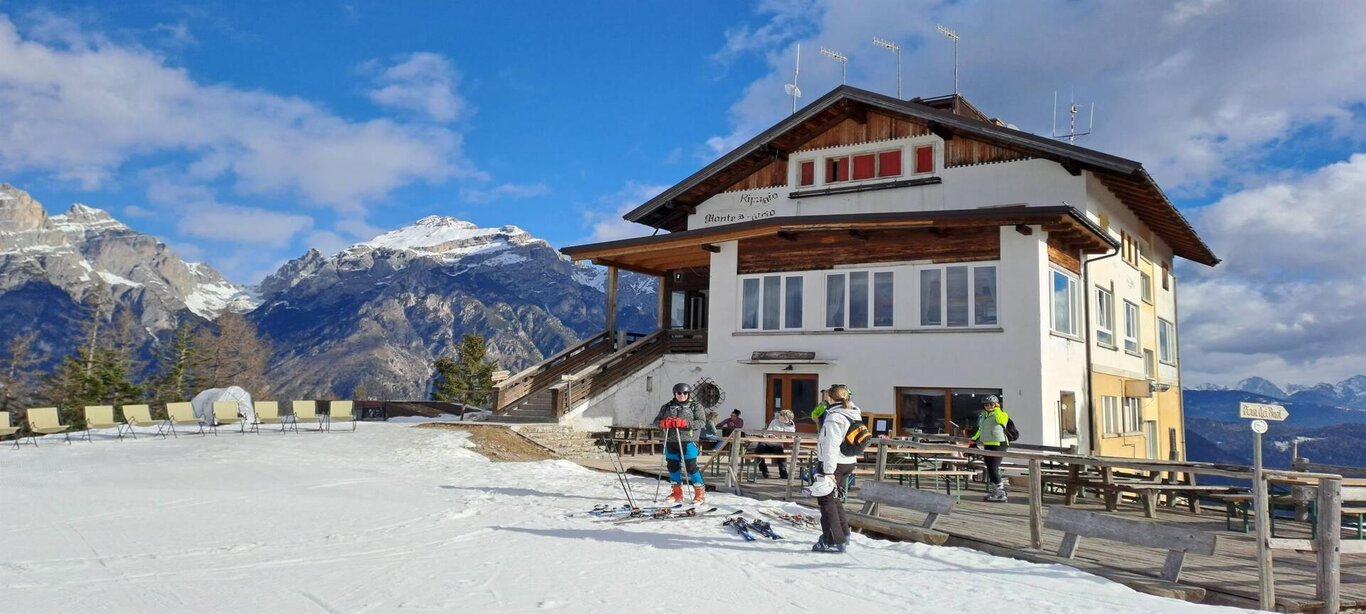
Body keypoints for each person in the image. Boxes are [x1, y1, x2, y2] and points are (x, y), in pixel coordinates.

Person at [805, 384, 861, 553]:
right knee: (835, 500)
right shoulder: (853, 412)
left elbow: (831, 445)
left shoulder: (834, 417)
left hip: (833, 464)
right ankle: (844, 534)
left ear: (829, 398)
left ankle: (832, 540)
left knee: (826, 501)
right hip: (848, 462)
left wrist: (828, 471)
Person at [654, 382, 708, 504]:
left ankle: (699, 493)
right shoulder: (667, 406)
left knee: (691, 467)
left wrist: (685, 423)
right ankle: (677, 493)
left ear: (688, 394)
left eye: (685, 393)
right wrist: (663, 423)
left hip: (688, 441)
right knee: (672, 467)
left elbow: (702, 422)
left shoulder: (695, 406)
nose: (682, 395)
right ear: (675, 394)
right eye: (679, 393)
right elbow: (656, 421)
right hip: (671, 440)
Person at [972, 395, 1010, 503]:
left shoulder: (1002, 414)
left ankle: (1001, 492)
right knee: (989, 468)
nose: (989, 406)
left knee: (993, 468)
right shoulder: (983, 415)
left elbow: (999, 421)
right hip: (988, 443)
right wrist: (973, 439)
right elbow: (981, 429)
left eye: (992, 404)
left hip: (999, 444)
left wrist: (997, 409)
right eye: (986, 404)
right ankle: (995, 491)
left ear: (996, 404)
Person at [755, 409, 795, 479]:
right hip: (766, 443)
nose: (779, 416)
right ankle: (764, 470)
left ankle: (783, 472)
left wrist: (786, 437)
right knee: (758, 450)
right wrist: (772, 435)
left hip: (777, 445)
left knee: (780, 453)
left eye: (781, 416)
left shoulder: (791, 426)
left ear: (786, 418)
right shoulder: (774, 421)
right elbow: (768, 432)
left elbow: (791, 436)